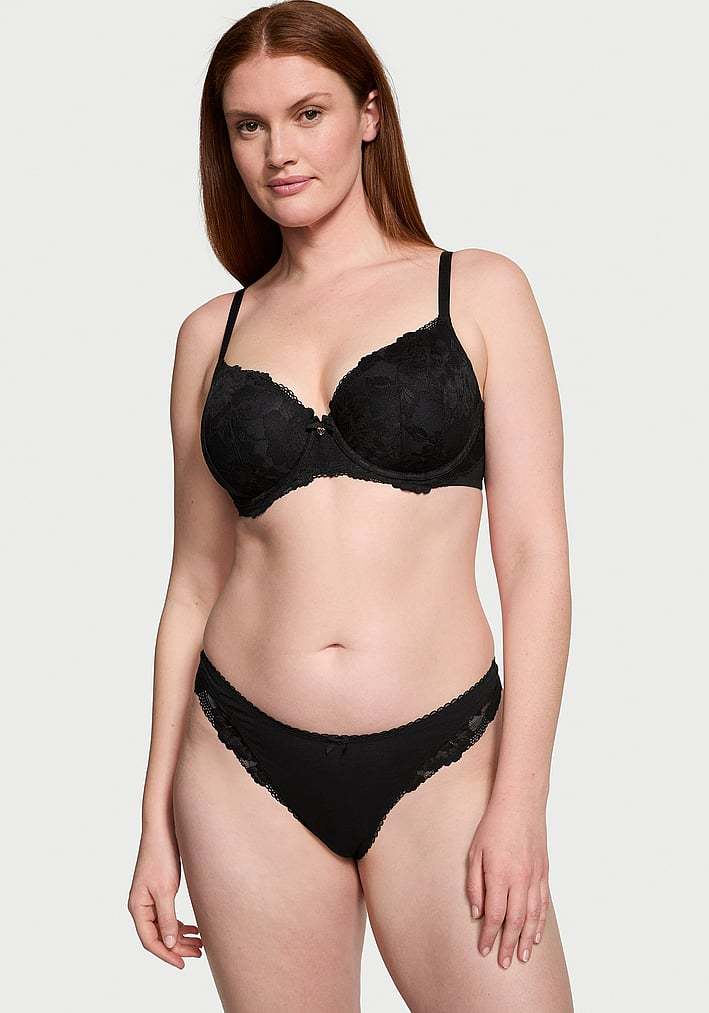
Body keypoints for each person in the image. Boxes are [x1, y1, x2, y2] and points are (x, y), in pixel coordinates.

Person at [127, 3, 574, 1010]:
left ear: (369, 114)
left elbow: (536, 560)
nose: (279, 152)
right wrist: (154, 815)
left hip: (446, 760)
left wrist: (521, 800)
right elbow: (192, 582)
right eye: (248, 126)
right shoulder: (210, 333)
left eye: (308, 113)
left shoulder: (479, 291)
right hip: (238, 768)